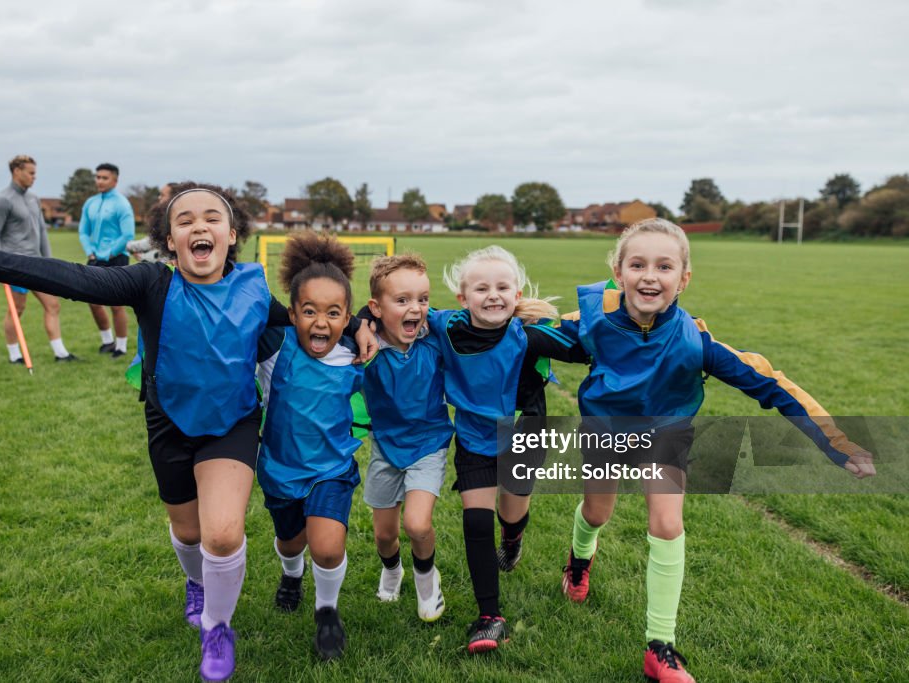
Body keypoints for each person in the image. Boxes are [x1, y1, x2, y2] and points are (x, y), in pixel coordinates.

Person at [0, 187, 377, 682]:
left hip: (233, 425)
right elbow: (74, 278)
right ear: (169, 241)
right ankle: (195, 583)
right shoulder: (151, 283)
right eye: (185, 221)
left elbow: (309, 319)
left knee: (222, 534)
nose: (199, 226)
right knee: (189, 533)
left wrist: (362, 325)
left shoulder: (253, 288)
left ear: (231, 235)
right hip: (169, 424)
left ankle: (217, 628)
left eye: (212, 218)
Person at [554, 218, 875, 683]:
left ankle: (660, 647)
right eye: (637, 264)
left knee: (667, 523)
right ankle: (579, 560)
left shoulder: (695, 343)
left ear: (683, 279)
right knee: (597, 513)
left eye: (664, 266)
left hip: (666, 433)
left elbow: (772, 384)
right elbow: (524, 337)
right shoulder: (592, 323)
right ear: (618, 271)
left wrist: (837, 443)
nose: (650, 276)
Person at [431, 245, 578, 653]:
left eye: (502, 287)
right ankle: (489, 617)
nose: (493, 295)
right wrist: (366, 322)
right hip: (476, 439)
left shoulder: (531, 334)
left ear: (516, 295)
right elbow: (400, 314)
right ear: (463, 298)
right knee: (476, 523)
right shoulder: (445, 327)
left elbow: (588, 346)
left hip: (525, 436)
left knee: (511, 512)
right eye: (481, 288)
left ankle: (512, 539)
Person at [256, 231, 363, 661]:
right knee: (291, 543)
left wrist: (365, 327)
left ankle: (327, 613)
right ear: (292, 314)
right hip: (280, 469)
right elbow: (241, 299)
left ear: (347, 317)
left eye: (334, 313)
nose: (321, 323)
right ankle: (291, 574)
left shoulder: (357, 350)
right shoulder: (273, 347)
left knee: (328, 546)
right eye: (309, 311)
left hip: (332, 469)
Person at [360, 254, 451, 622]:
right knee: (384, 537)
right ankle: (392, 569)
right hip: (385, 448)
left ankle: (427, 579)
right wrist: (359, 324)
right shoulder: (363, 346)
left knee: (417, 524)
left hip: (429, 444)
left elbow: (478, 319)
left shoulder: (436, 337)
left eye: (423, 299)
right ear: (376, 308)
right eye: (402, 301)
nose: (416, 308)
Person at [0, 154, 76, 362]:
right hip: (15, 265)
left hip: (37, 263)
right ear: (17, 171)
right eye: (31, 173)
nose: (34, 177)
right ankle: (14, 354)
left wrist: (49, 261)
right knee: (17, 309)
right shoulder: (3, 199)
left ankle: (60, 353)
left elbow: (42, 231)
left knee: (53, 305)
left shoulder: (34, 199)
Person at [78, 163, 136, 358]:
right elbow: (83, 231)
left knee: (116, 304)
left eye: (104, 177)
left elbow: (128, 234)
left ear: (115, 180)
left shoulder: (122, 203)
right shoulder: (90, 203)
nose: (99, 181)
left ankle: (121, 347)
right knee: (93, 301)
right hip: (95, 257)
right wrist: (91, 252)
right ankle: (107, 341)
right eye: (98, 177)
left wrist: (110, 253)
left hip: (116, 257)